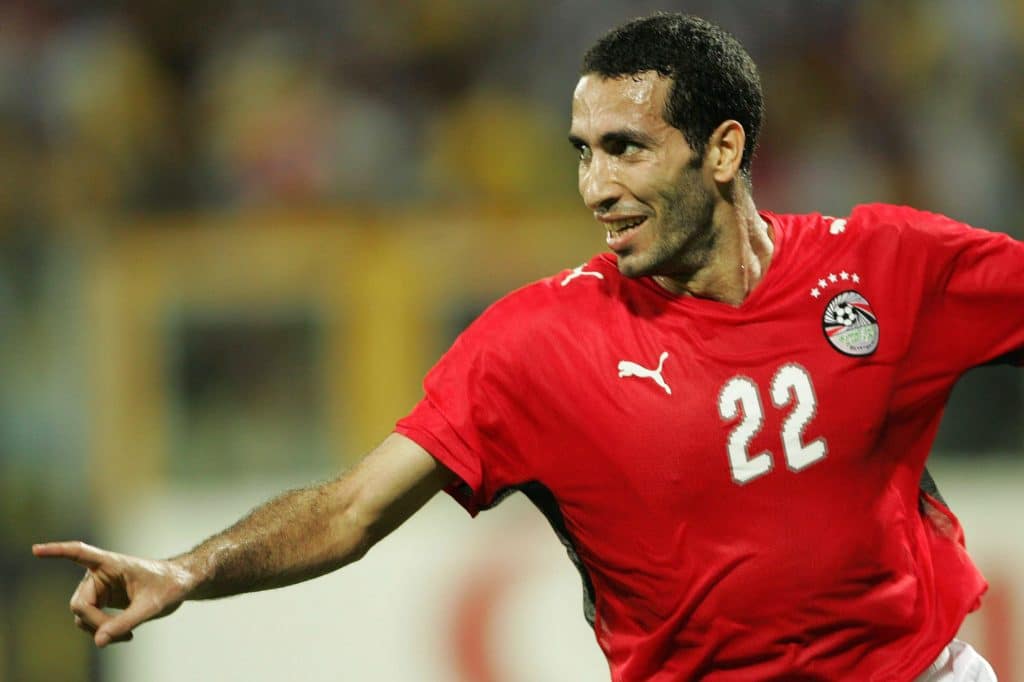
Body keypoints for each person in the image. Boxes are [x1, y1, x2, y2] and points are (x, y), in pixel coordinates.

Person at [34, 12, 1022, 680]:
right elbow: (350, 509)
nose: (594, 186)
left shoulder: (893, 266)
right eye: (581, 152)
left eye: (625, 148)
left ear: (721, 150)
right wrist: (192, 570)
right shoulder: (536, 342)